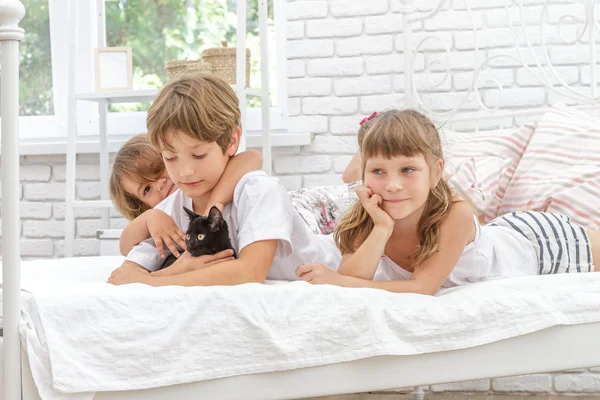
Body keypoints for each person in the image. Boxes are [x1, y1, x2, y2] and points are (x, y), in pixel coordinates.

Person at [295, 109, 600, 295]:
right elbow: (352, 275)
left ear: (436, 171)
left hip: (542, 243)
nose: (392, 184)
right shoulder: (370, 216)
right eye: (378, 171)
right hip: (500, 233)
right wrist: (382, 228)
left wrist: (337, 282)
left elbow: (420, 288)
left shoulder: (455, 214)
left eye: (408, 169)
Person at [108, 74, 341, 286]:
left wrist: (155, 281)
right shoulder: (176, 206)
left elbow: (249, 273)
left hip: (344, 267)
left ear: (231, 142)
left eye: (198, 155)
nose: (185, 171)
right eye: (170, 158)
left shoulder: (259, 191)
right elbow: (131, 264)